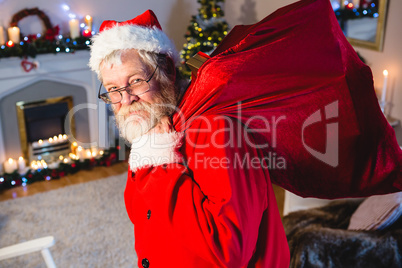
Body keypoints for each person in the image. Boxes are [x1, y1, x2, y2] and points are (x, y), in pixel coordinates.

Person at [89, 0, 401, 267]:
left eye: (136, 81)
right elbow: (151, 223)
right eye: (114, 89)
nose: (125, 99)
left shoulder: (213, 130)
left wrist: (158, 157)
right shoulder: (160, 131)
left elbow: (225, 253)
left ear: (168, 72)